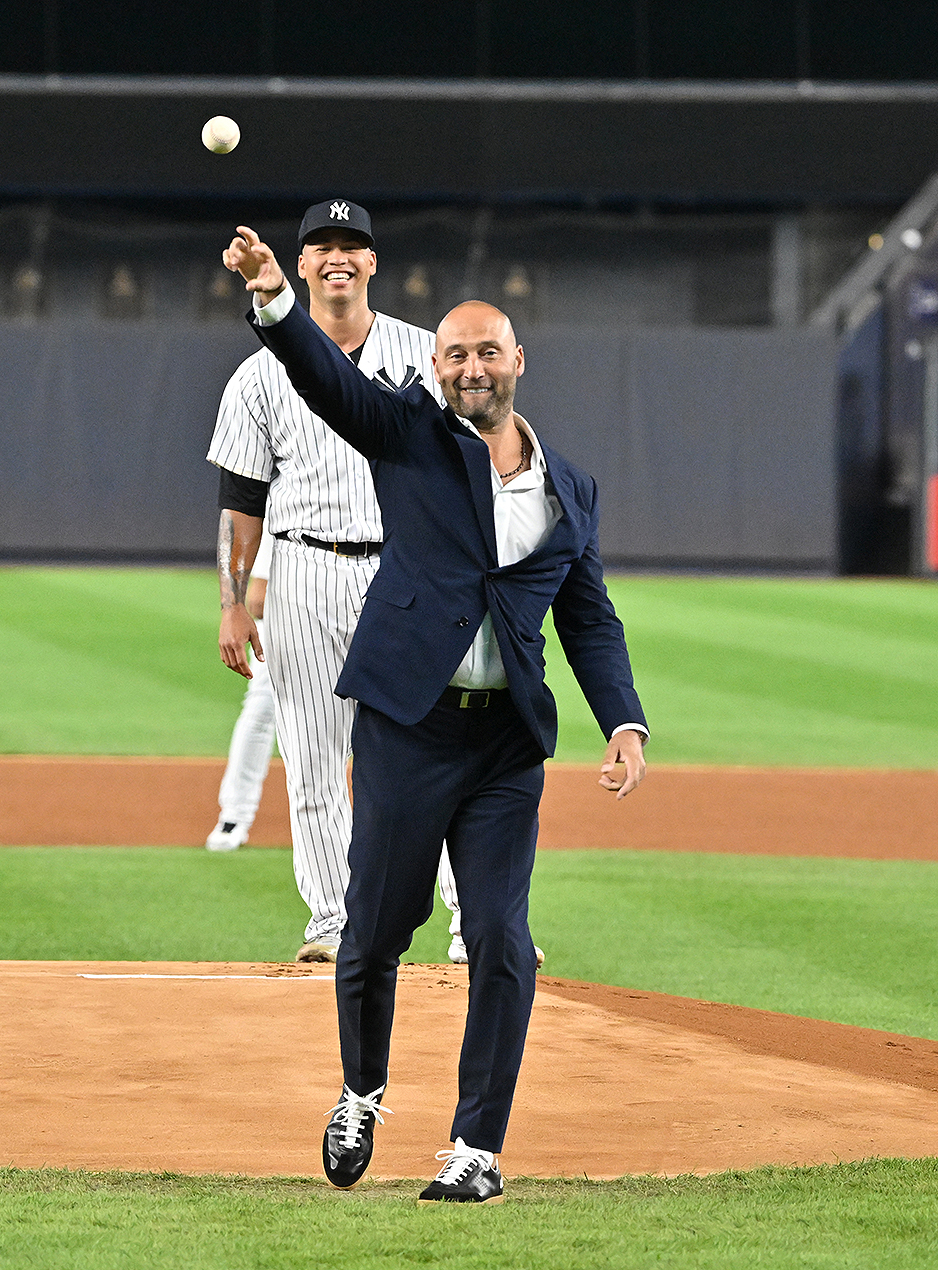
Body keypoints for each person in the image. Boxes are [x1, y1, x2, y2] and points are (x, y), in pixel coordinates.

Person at [222, 226, 649, 1204]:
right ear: (434, 366)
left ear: (516, 362)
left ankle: (476, 1148)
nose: (468, 367)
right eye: (452, 352)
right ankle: (362, 1090)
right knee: (374, 928)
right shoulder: (411, 440)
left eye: (485, 350)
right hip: (409, 726)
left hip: (504, 745)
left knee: (501, 932)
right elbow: (331, 386)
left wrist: (622, 718)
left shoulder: (567, 486)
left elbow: (587, 613)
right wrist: (274, 299)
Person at [208, 199, 463, 963]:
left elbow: (472, 471)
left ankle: (469, 922)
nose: (338, 258)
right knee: (314, 758)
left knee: (439, 755)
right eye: (322, 246)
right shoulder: (259, 376)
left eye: (352, 245)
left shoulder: (428, 356)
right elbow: (241, 500)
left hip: (409, 570)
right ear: (303, 263)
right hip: (305, 572)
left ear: (374, 262)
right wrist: (231, 601)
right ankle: (332, 919)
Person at [206, 530, 277, 852]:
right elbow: (258, 599)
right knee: (261, 712)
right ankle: (234, 815)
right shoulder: (292, 495)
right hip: (285, 623)